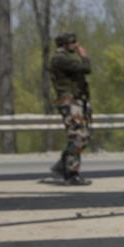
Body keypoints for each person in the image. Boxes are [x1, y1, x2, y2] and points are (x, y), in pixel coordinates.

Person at [49, 32, 92, 186]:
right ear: (64, 44)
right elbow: (86, 68)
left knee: (81, 136)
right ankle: (71, 173)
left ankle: (62, 166)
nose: (76, 45)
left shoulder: (64, 59)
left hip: (75, 101)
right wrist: (84, 56)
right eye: (73, 42)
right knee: (79, 136)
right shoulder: (60, 59)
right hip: (69, 102)